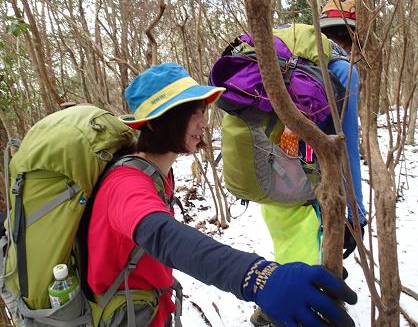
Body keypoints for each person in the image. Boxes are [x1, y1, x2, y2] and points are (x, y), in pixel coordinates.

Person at [86, 63, 358, 327]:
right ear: (155, 124)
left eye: (203, 110)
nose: (204, 122)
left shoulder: (158, 172)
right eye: (192, 112)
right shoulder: (125, 183)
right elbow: (163, 236)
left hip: (150, 310)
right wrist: (257, 277)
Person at [251, 0, 367, 326]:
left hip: (268, 178)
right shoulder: (344, 71)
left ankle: (275, 310)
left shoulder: (280, 65)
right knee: (304, 262)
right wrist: (355, 211)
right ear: (353, 36)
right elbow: (347, 150)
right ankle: (281, 315)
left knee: (289, 251)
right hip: (308, 187)